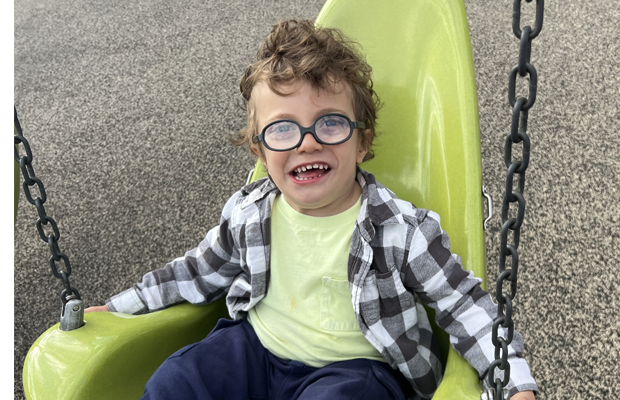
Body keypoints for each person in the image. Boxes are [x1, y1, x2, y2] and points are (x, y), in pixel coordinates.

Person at [84, 20, 538, 400]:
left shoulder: (399, 230)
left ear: (362, 143)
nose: (308, 142)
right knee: (177, 380)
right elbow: (195, 272)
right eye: (283, 130)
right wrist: (123, 307)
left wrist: (514, 383)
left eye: (331, 123)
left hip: (353, 370)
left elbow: (466, 306)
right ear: (261, 153)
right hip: (256, 351)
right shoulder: (250, 215)